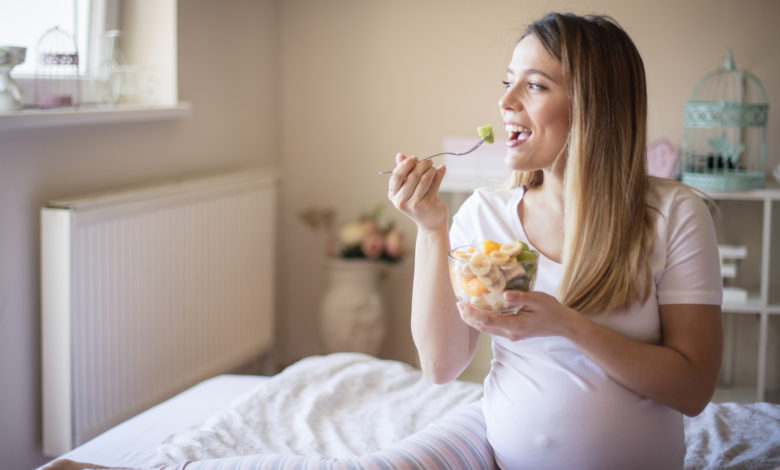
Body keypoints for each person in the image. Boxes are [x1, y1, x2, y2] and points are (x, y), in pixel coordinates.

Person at [387, 12, 723, 470]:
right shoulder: (485, 216)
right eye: (508, 82)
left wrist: (568, 325)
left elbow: (693, 390)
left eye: (535, 86)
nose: (505, 101)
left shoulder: (675, 214)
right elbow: (440, 367)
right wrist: (431, 229)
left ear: (594, 105)